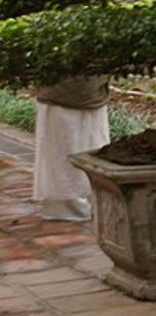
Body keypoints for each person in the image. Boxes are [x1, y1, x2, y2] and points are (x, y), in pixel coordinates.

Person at [32, 76, 109, 221]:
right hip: (60, 93)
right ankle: (68, 203)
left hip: (89, 89)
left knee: (81, 146)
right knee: (64, 148)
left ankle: (83, 200)